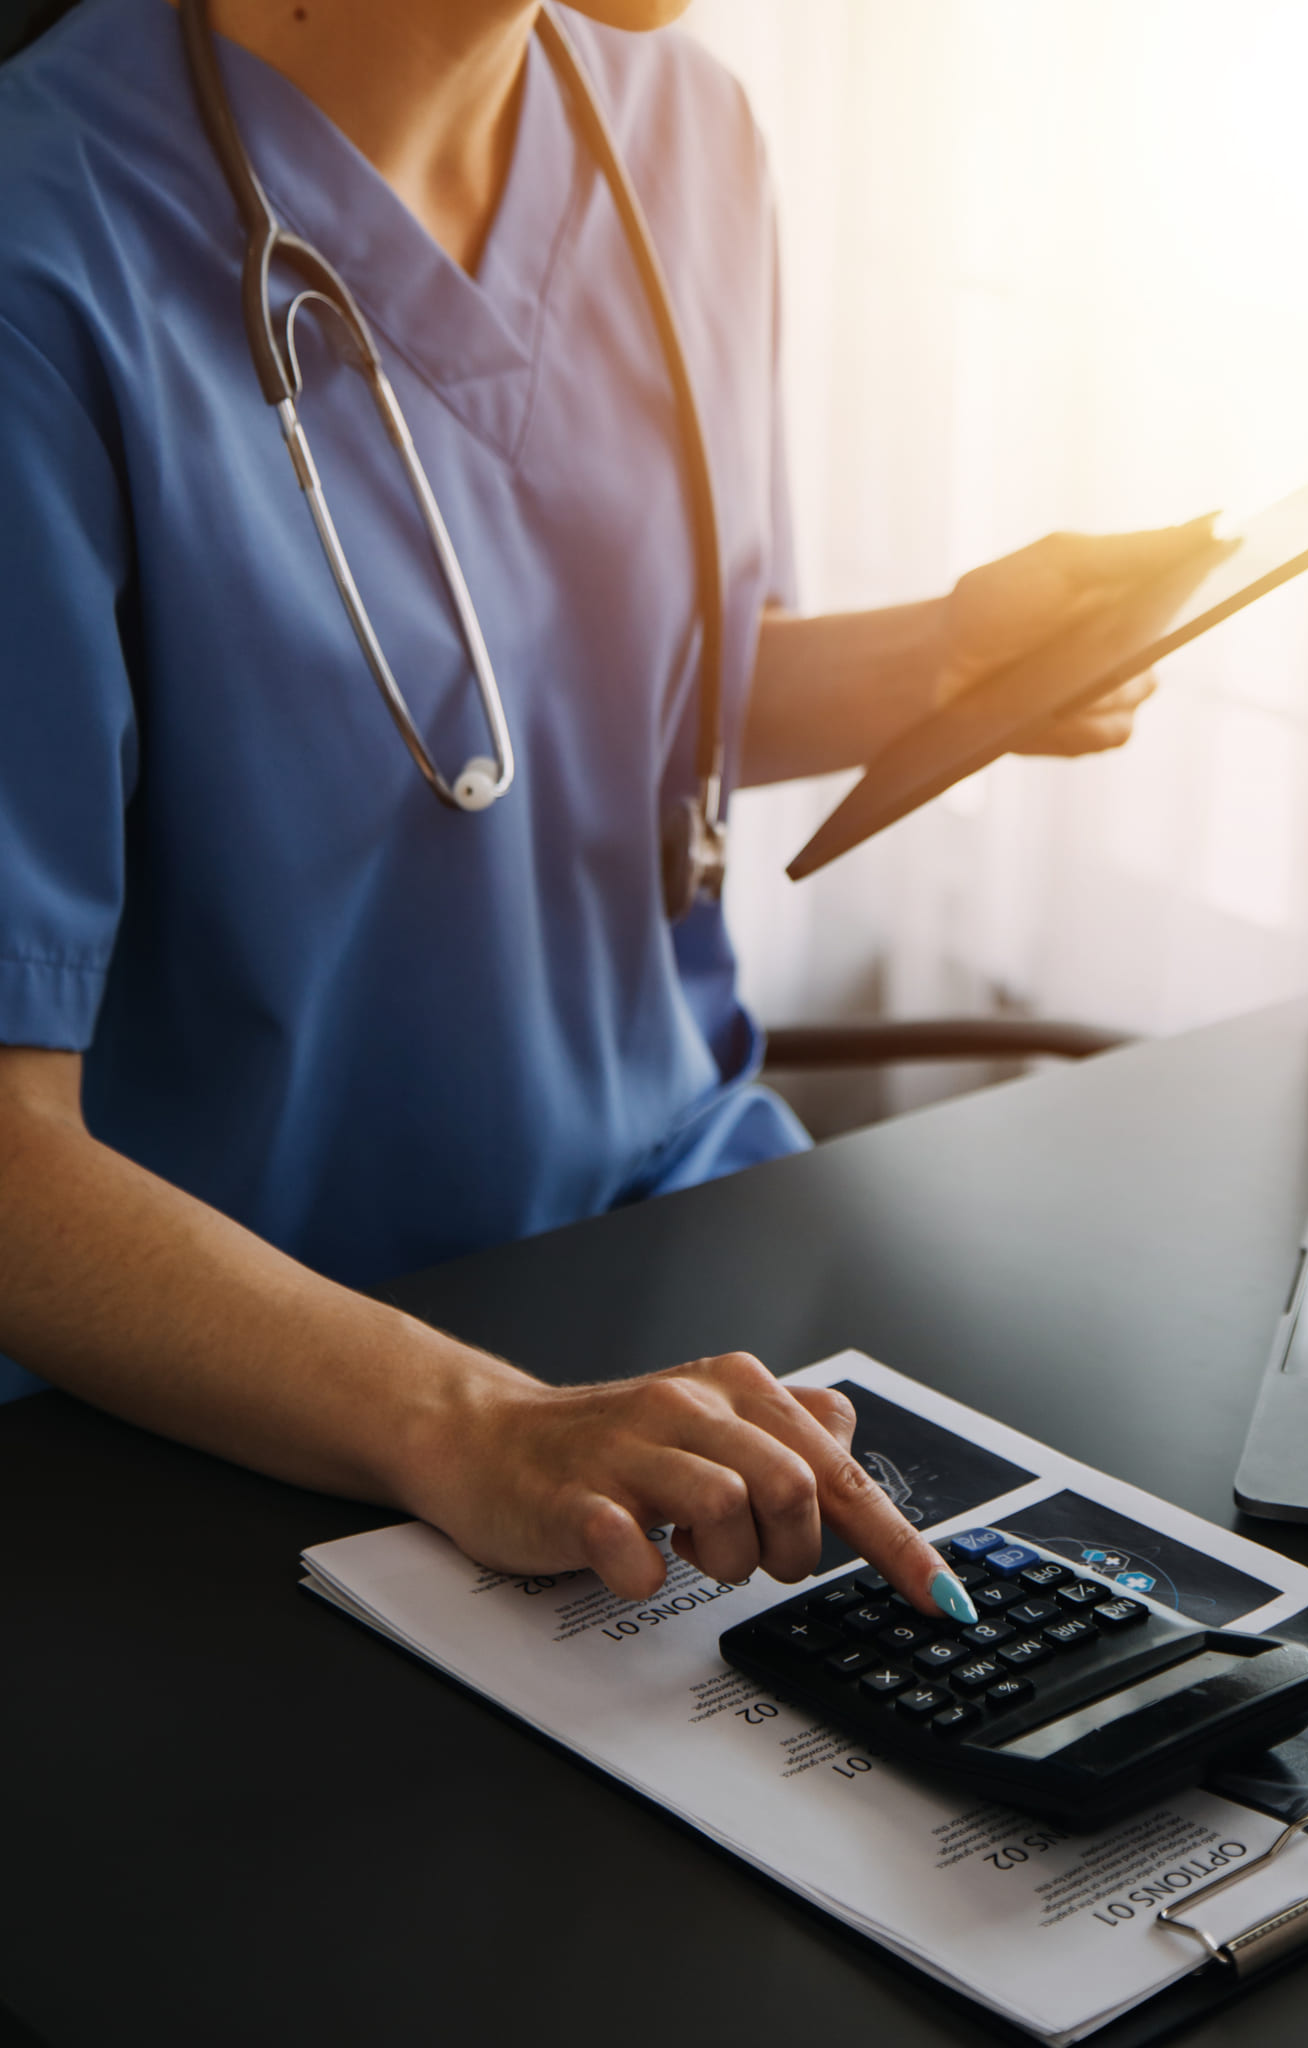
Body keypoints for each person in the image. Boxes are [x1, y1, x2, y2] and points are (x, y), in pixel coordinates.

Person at [0, 0, 1206, 1615]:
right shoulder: (44, 257)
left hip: (679, 1234)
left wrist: (942, 662)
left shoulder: (680, 129)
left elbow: (571, 700)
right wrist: (477, 1424)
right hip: (253, 1383)